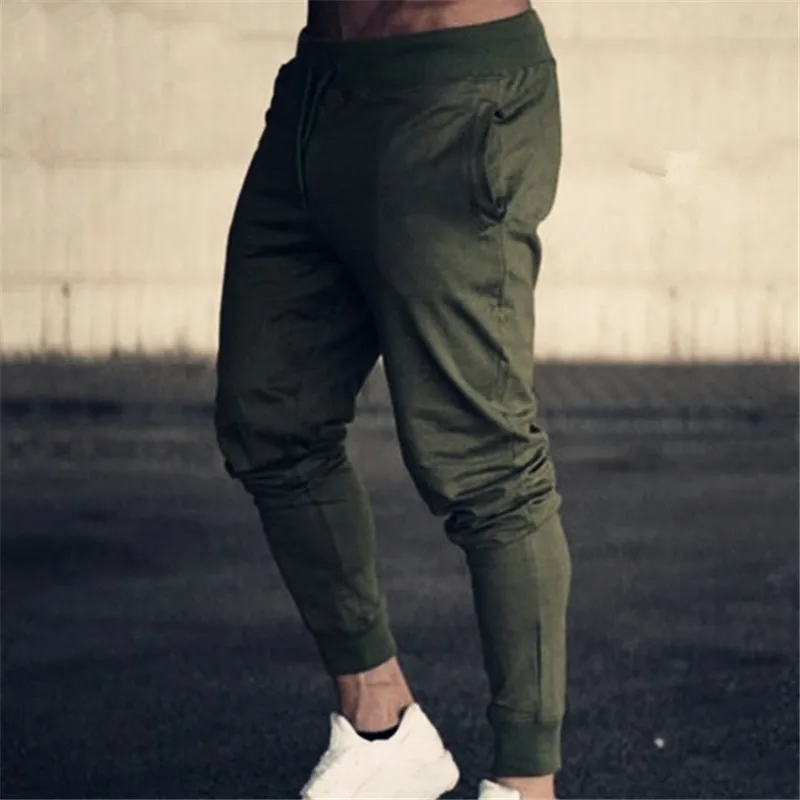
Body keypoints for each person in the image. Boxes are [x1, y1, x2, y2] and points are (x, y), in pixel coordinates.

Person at [213, 1, 571, 797]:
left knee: (482, 461)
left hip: (453, 90)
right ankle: (382, 723)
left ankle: (526, 782)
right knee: (269, 417)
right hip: (319, 86)